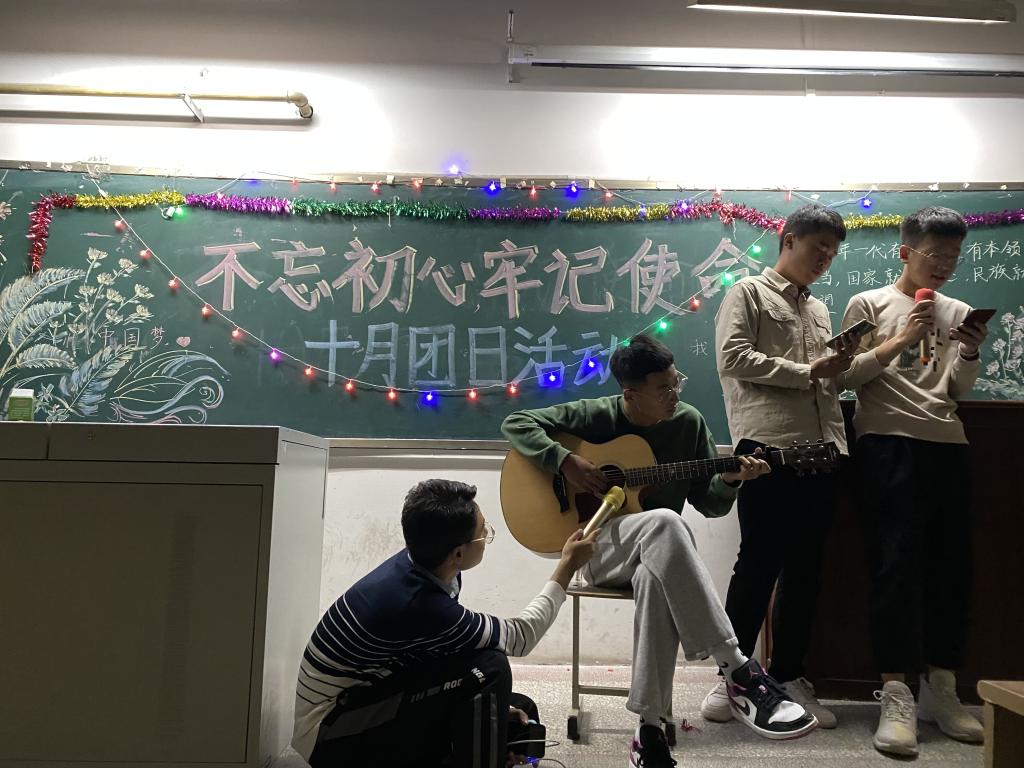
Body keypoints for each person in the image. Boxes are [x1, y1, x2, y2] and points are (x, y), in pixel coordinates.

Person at [501, 333, 816, 768]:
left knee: (656, 573)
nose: (674, 394)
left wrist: (731, 480)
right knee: (667, 521)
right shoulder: (596, 415)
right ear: (631, 395)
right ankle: (737, 667)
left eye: (676, 382)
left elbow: (708, 503)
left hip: (659, 554)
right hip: (597, 548)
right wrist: (566, 461)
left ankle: (648, 731)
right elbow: (516, 422)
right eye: (663, 388)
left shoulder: (688, 424)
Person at [291, 478, 598, 768]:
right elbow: (520, 637)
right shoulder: (419, 602)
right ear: (458, 553)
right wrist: (567, 565)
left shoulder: (426, 564)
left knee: (513, 708)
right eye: (484, 531)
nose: (487, 535)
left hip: (364, 701)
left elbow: (441, 657)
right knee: (491, 669)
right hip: (328, 735)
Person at [837, 206, 987, 757]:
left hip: (948, 443)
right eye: (935, 254)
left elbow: (957, 388)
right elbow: (845, 375)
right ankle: (896, 693)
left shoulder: (959, 310)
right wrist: (902, 338)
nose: (945, 265)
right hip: (885, 441)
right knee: (894, 565)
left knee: (953, 567)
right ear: (905, 252)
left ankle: (941, 689)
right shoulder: (867, 304)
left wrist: (968, 350)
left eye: (954, 256)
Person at [707, 203, 854, 729]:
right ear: (788, 240)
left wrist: (841, 367)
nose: (825, 260)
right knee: (758, 564)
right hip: (766, 450)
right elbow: (732, 357)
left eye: (832, 254)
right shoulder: (747, 293)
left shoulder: (820, 309)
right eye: (819, 248)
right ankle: (731, 676)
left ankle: (789, 675)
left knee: (806, 571)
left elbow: (824, 380)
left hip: (822, 451)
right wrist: (809, 370)